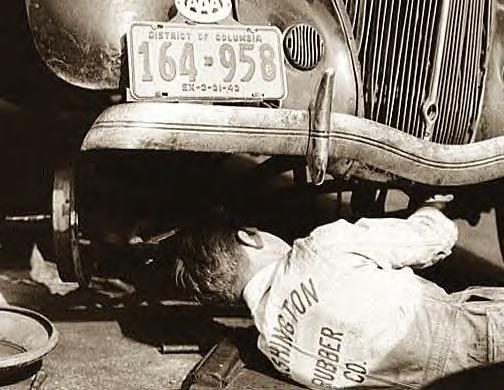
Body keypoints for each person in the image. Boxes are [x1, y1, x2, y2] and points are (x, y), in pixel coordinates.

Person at [174, 199, 504, 389]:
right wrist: (433, 205)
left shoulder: (273, 347)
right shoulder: (319, 249)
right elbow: (431, 238)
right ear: (249, 237)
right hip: (477, 333)